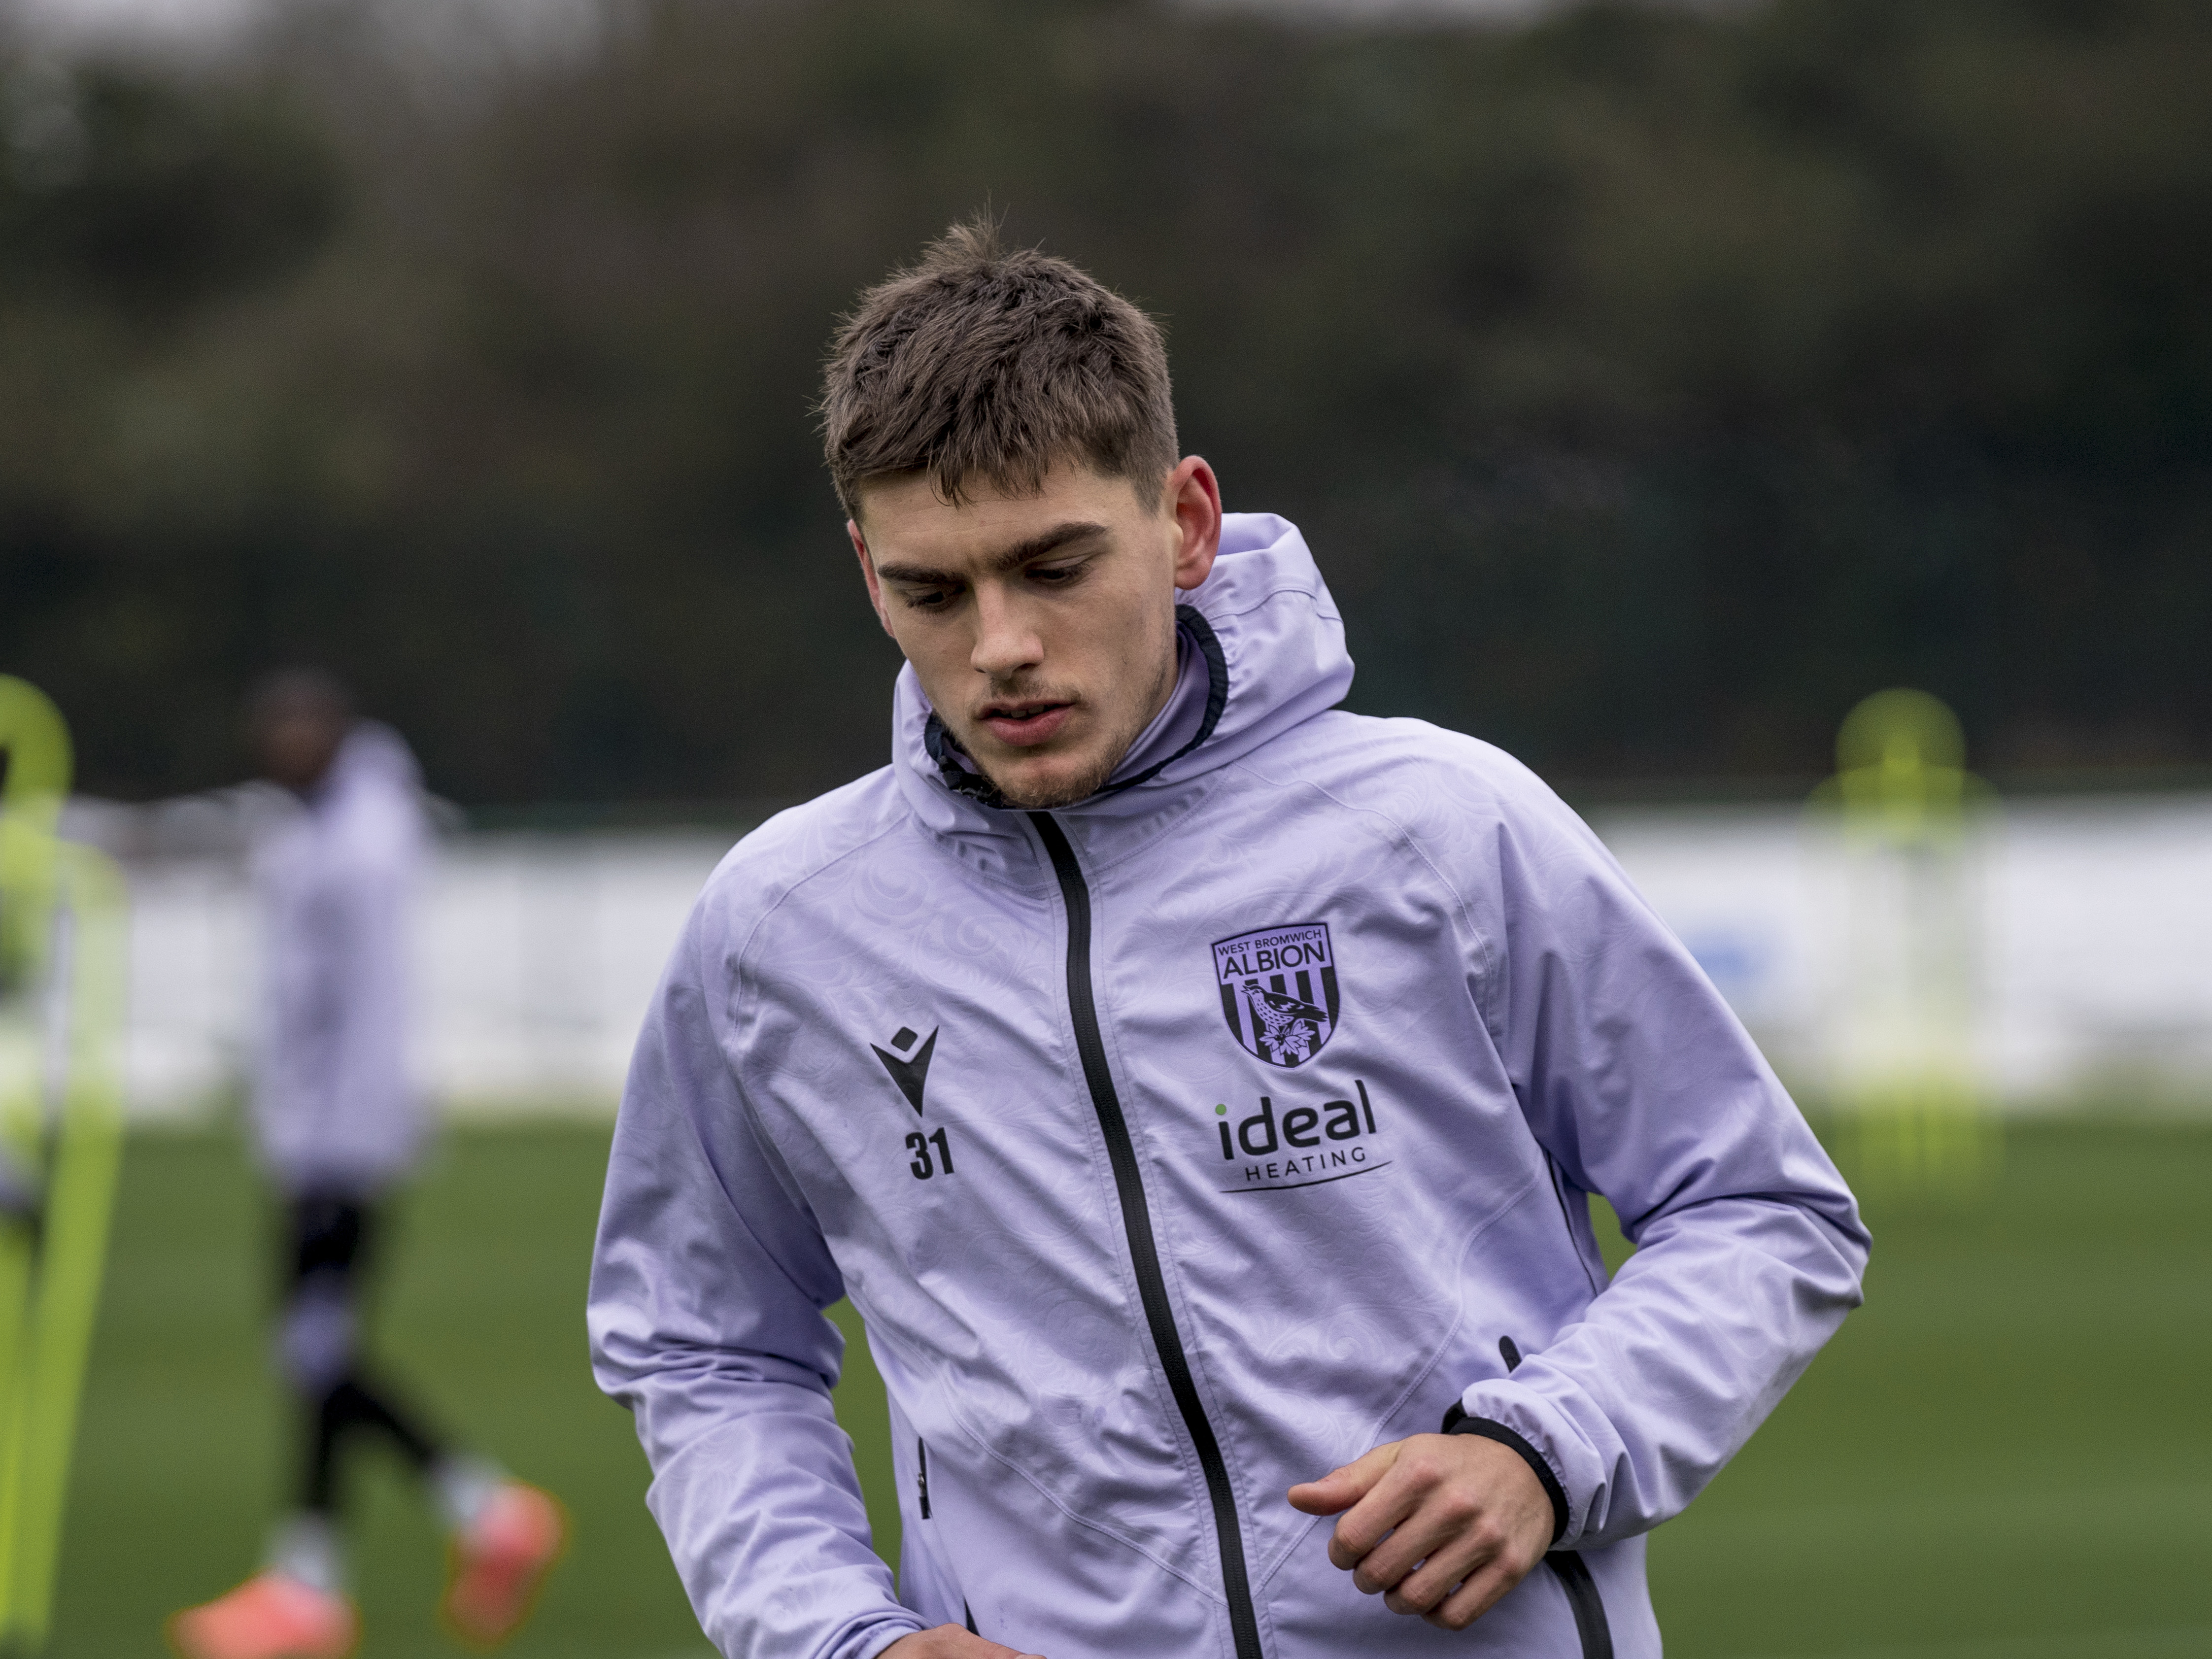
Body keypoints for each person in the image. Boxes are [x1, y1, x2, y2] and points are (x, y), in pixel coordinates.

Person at [587, 220, 1869, 1659]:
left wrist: (1546, 1447)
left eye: (1054, 567)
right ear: (865, 574)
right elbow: (699, 1343)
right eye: (932, 592)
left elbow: (1764, 1210)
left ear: (1185, 523)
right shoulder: (781, 928)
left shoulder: (1443, 829)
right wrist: (838, 1635)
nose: (1000, 644)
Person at [170, 671, 565, 1659]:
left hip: (338, 1142)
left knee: (314, 1351)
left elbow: (356, 1011)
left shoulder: (356, 846)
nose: (281, 744)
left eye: (299, 727)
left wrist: (330, 1143)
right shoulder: (331, 829)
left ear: (337, 733)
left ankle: (480, 1512)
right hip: (323, 1132)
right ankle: (315, 1581)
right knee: (313, 1352)